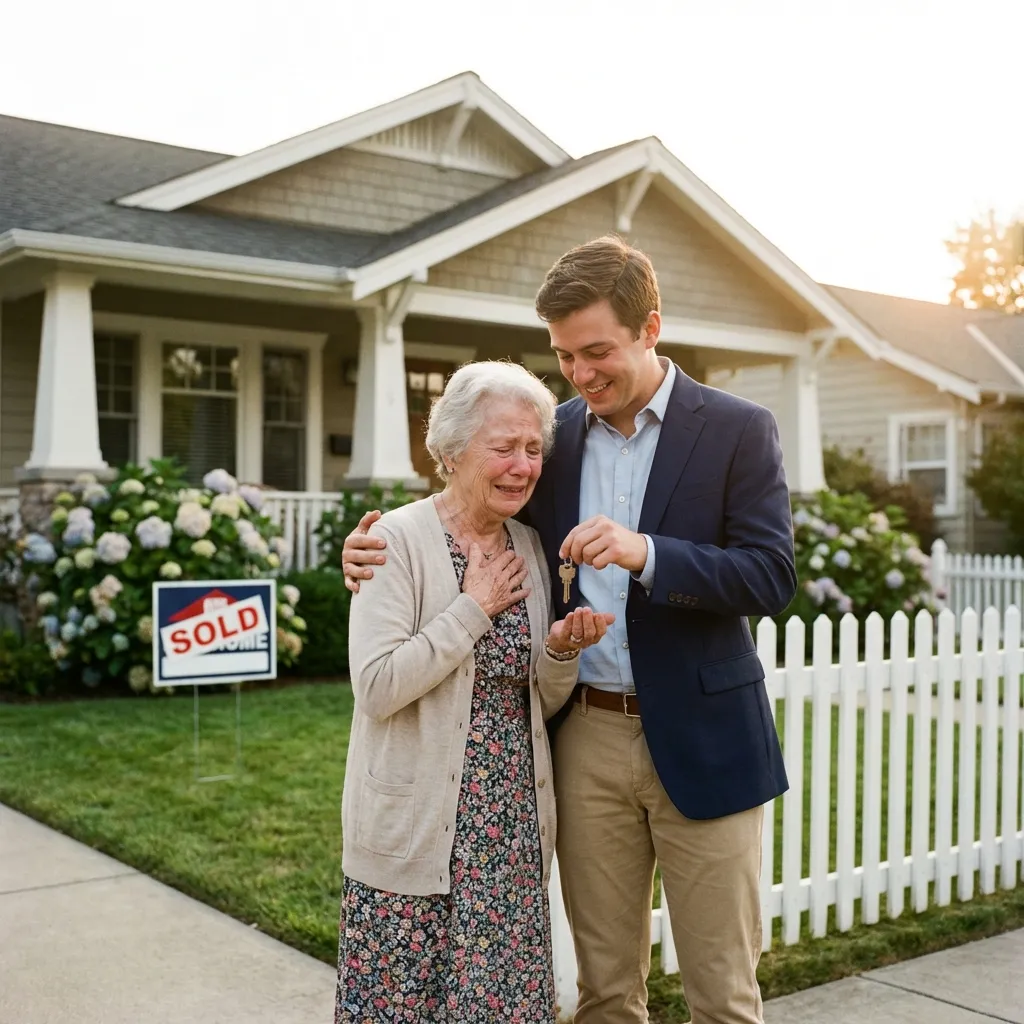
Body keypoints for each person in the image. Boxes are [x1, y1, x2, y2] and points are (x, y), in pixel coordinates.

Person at [342, 237, 796, 1024]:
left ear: (649, 327)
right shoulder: (552, 434)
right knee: (605, 993)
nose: (581, 376)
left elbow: (769, 575)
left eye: (596, 353)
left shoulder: (736, 428)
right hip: (581, 737)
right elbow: (473, 507)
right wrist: (364, 555)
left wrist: (646, 553)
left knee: (722, 995)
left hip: (708, 740)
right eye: (564, 358)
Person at [335, 359, 614, 1024]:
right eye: (503, 448)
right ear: (452, 451)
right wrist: (473, 608)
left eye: (531, 449)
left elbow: (534, 701)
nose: (522, 465)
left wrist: (560, 652)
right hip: (418, 835)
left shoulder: (528, 544)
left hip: (510, 837)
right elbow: (376, 688)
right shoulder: (392, 542)